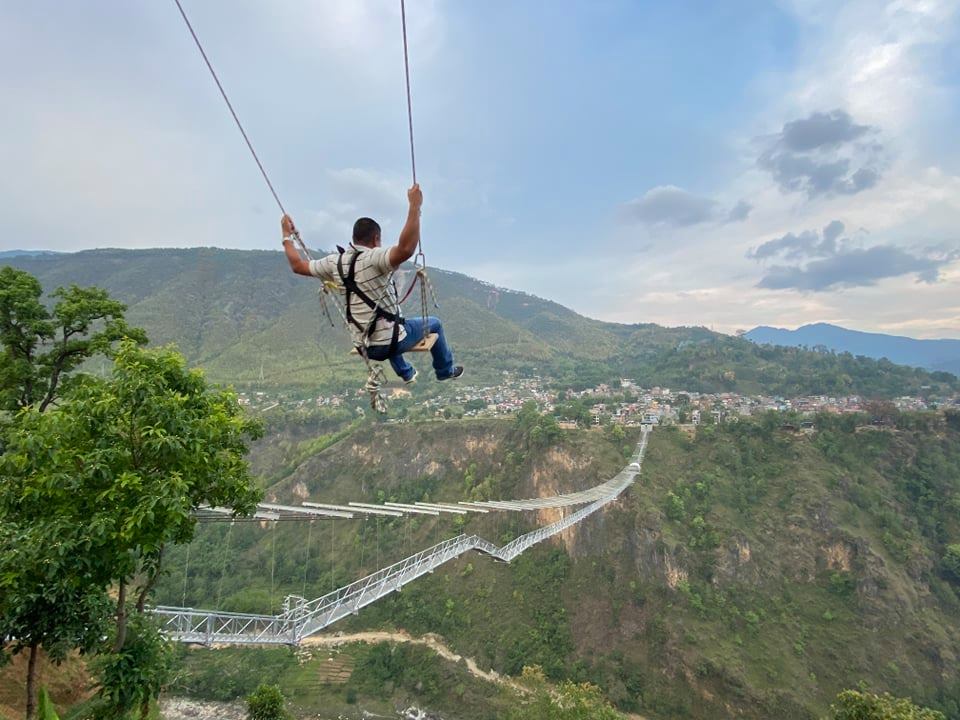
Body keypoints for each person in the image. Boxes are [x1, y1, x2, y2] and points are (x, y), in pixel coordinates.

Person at [281, 183, 463, 384]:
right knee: (433, 323)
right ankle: (445, 371)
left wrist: (287, 236)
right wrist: (414, 206)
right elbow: (406, 248)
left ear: (354, 238)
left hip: (364, 345)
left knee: (387, 319)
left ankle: (407, 372)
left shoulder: (335, 262)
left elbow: (298, 266)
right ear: (376, 238)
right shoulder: (374, 258)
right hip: (389, 343)